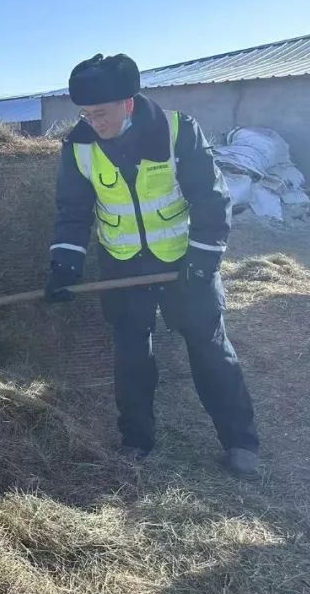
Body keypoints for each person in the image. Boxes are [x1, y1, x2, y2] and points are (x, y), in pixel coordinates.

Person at [46, 53, 259, 477]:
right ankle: (136, 440)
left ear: (128, 101)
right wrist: (64, 265)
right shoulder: (79, 146)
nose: (93, 122)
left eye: (101, 113)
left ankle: (239, 442)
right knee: (131, 358)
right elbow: (73, 209)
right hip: (123, 265)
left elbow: (211, 198)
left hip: (185, 262)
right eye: (85, 114)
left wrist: (204, 257)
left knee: (210, 350)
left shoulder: (178, 131)